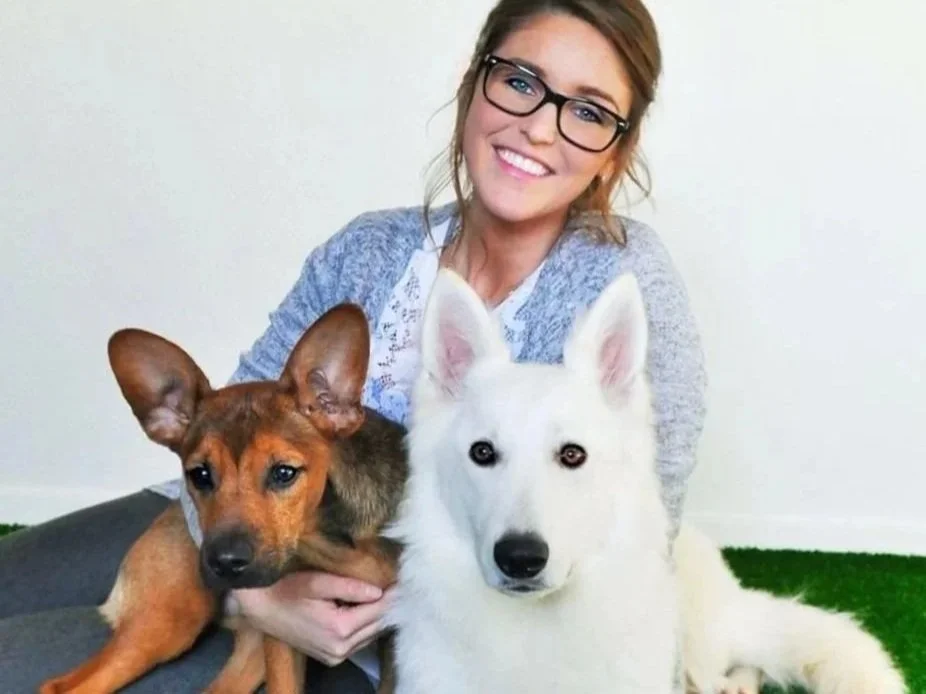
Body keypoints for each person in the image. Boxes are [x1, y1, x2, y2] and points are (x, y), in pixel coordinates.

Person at [0, 0, 707, 691]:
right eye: (519, 81)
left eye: (587, 111)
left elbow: (642, 517)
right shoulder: (367, 247)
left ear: (619, 150)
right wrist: (260, 597)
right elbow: (230, 416)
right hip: (222, 536)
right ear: (472, 84)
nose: (539, 129)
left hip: (381, 633)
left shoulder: (622, 279)